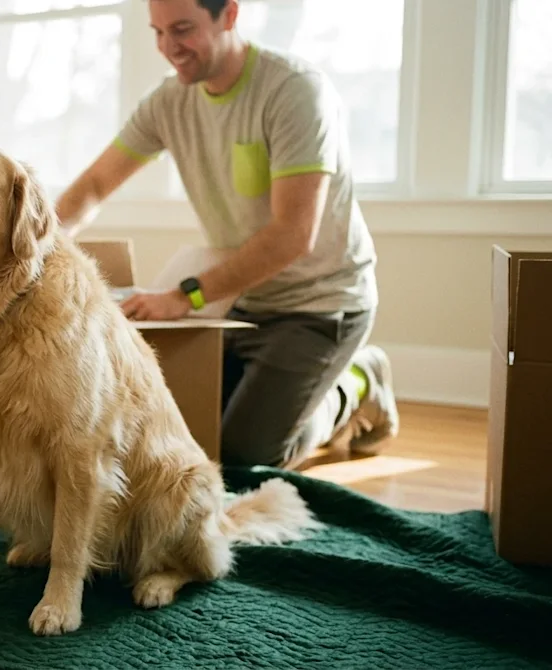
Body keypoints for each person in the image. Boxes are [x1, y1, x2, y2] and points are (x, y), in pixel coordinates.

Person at [54, 0, 398, 469]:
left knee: (244, 458)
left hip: (319, 306)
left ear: (229, 15)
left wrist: (184, 296)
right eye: (157, 32)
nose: (168, 47)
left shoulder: (294, 91)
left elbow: (293, 235)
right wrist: (39, 243)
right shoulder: (168, 102)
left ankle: (357, 384)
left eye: (182, 29)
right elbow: (95, 184)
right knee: (180, 433)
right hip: (239, 300)